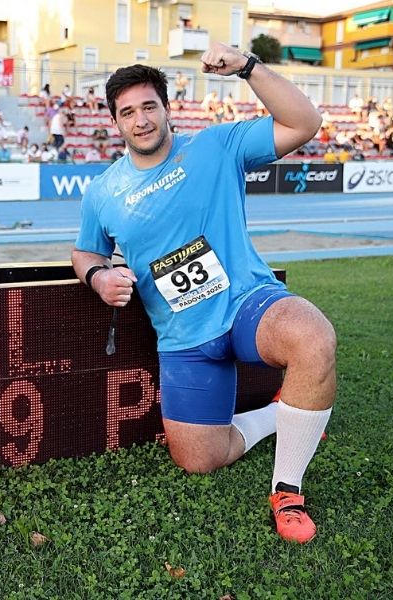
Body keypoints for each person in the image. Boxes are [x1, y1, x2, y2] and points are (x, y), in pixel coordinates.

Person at [72, 45, 332, 545]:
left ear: (167, 108)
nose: (141, 120)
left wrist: (248, 68)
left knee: (313, 337)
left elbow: (304, 122)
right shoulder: (102, 192)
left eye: (149, 106)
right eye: (128, 112)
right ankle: (286, 414)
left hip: (247, 307)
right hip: (183, 340)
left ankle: (288, 489)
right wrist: (99, 276)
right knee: (200, 460)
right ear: (115, 123)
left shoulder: (217, 145)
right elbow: (84, 252)